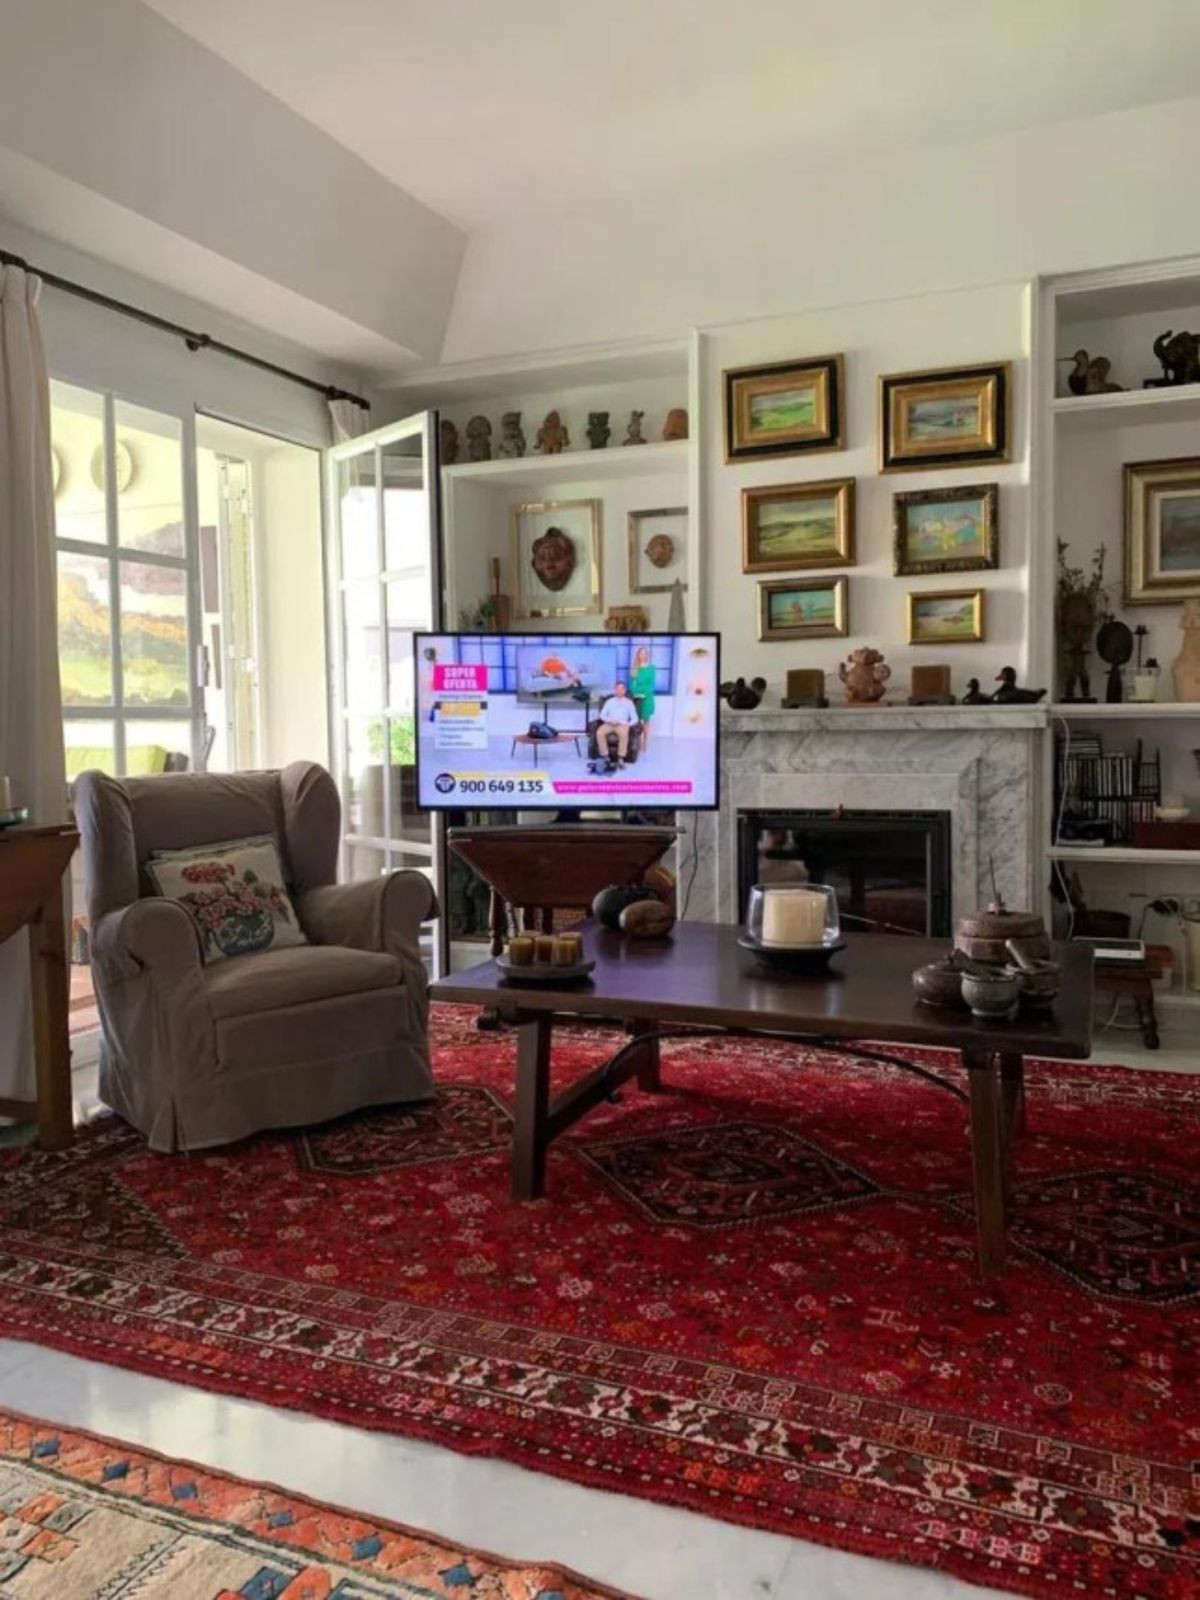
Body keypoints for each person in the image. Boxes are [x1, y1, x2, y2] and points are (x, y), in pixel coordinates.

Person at [595, 681, 639, 765]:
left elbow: (635, 718)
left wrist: (627, 724)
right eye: (617, 689)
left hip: (622, 724)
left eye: (621, 689)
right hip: (609, 723)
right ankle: (605, 755)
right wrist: (609, 720)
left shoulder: (629, 703)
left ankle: (620, 758)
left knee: (624, 734)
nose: (619, 691)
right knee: (599, 732)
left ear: (624, 690)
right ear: (615, 690)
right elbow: (602, 715)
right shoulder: (609, 701)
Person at [629, 644, 656, 754]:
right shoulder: (634, 669)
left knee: (646, 722)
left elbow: (651, 685)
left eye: (645, 653)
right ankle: (639, 744)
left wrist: (643, 692)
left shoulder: (651, 668)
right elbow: (632, 685)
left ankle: (646, 744)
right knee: (638, 722)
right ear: (638, 655)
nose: (643, 655)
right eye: (641, 653)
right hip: (637, 698)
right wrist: (636, 693)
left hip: (647, 698)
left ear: (647, 655)